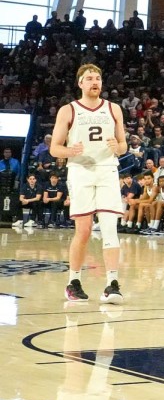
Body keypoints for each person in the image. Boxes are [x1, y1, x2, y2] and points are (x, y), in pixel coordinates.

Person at [49, 64, 128, 303]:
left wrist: (119, 148)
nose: (95, 82)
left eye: (98, 78)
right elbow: (54, 148)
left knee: (109, 228)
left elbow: (123, 145)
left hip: (107, 170)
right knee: (83, 231)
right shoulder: (68, 110)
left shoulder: (114, 109)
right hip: (80, 171)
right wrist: (69, 150)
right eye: (89, 78)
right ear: (80, 83)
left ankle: (112, 284)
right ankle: (74, 281)